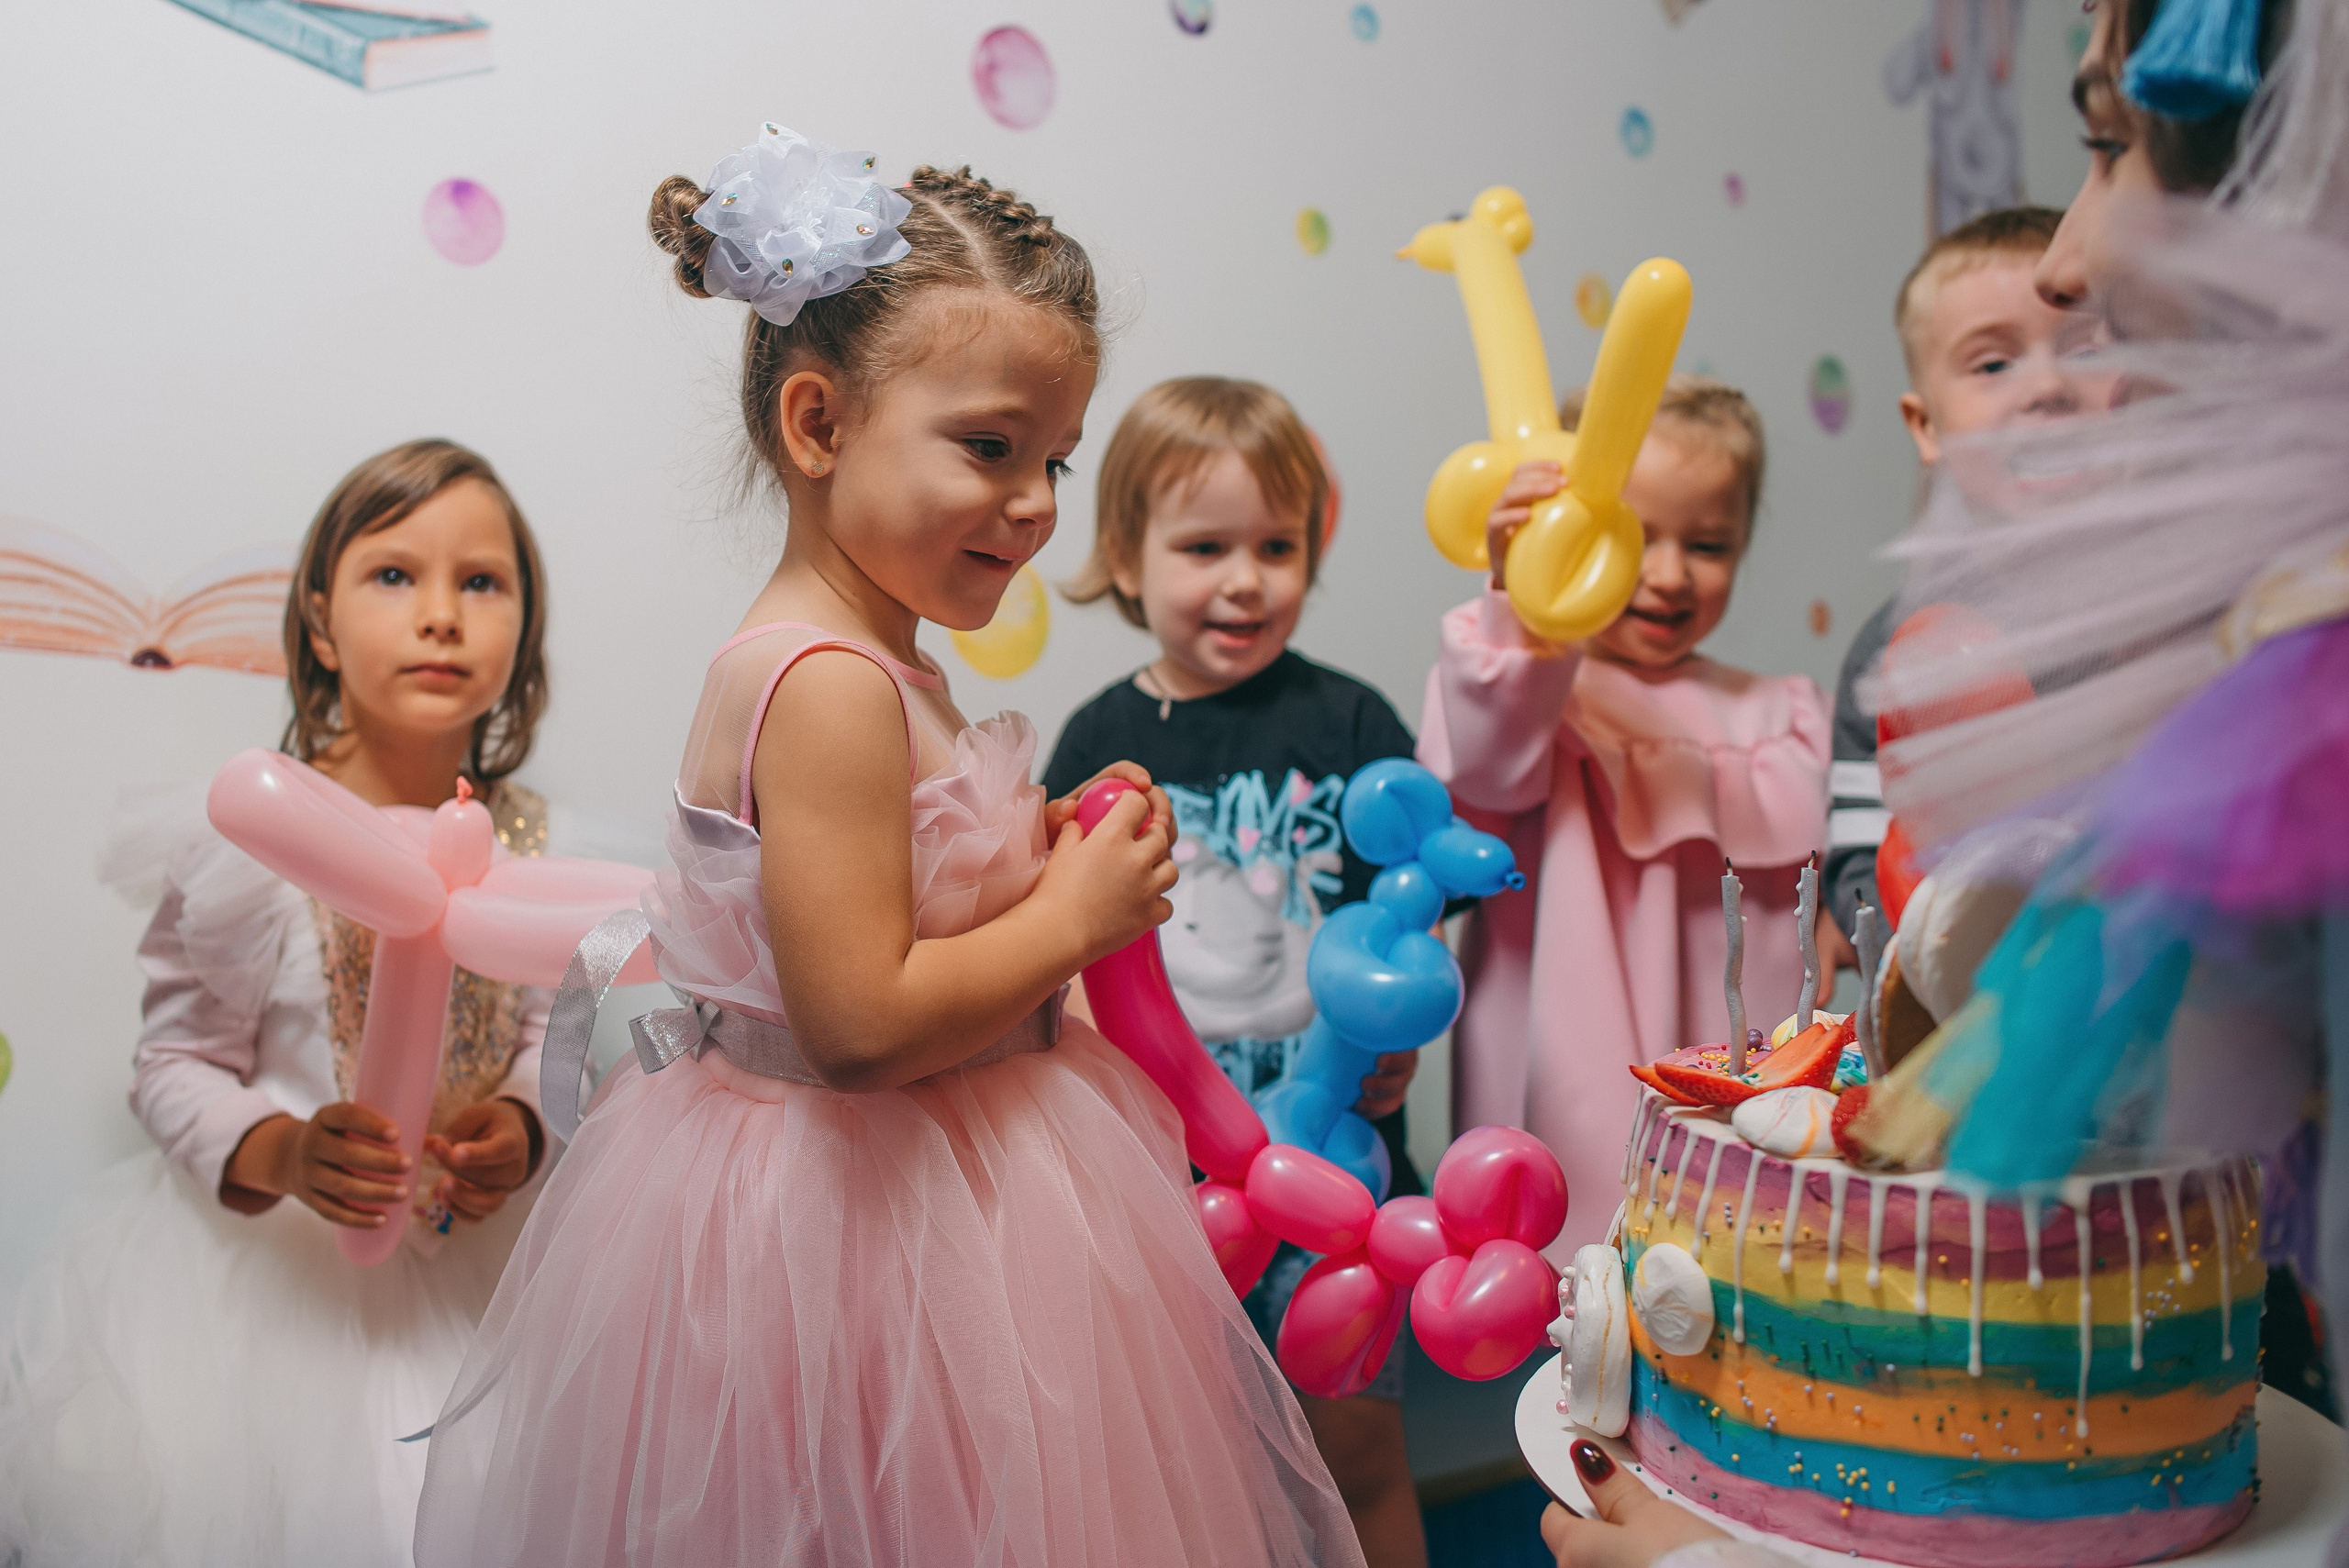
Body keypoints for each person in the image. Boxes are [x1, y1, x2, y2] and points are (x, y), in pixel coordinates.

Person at [411, 130, 1363, 1566]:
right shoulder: (835, 686)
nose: (1038, 502)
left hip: (903, 1184)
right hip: (869, 1220)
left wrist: (1026, 858)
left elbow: (881, 899)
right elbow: (857, 1022)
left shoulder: (870, 654)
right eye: (990, 448)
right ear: (819, 426)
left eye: (1052, 457)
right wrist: (1077, 920)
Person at [1546, 0, 2325, 1561]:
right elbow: (1871, 846)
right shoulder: (1913, 636)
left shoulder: (2253, 638)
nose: (2064, 290)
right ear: (1920, 418)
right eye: (1992, 358)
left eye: (2115, 143)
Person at [0, 440, 562, 1568]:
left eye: (482, 582)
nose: (441, 614)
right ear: (318, 623)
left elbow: (547, 1035)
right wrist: (286, 1147)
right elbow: (174, 1064)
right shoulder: (248, 844)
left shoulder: (541, 847)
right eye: (394, 575)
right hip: (280, 1296)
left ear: (524, 636)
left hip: (482, 1290)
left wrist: (524, 1123)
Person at [1045, 375, 1426, 1568]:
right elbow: (1064, 945)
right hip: (1167, 1149)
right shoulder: (1097, 737)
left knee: (1355, 1440)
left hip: (1331, 1145)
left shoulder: (1352, 720)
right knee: (1191, 1452)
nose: (1245, 578)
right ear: (1125, 554)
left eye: (1278, 544)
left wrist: (1397, 1054)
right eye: (1205, 546)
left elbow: (1403, 929)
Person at [1418, 375, 1831, 1262]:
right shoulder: (1533, 680)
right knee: (1582, 1293)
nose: (1673, 574)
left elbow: (1828, 900)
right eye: (1637, 538)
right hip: (1579, 1065)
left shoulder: (1787, 710)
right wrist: (1519, 594)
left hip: (1747, 1074)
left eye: (1711, 543)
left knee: (1747, 1273)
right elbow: (1483, 770)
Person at [1823, 205, 2099, 939]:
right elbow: (1856, 864)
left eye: (2087, 350)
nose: (2048, 387)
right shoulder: (1895, 646)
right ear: (1926, 427)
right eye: (1994, 363)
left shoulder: (2192, 597)